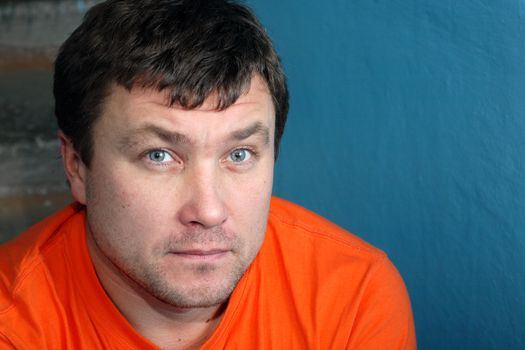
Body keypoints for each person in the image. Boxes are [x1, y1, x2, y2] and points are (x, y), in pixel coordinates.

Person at [0, 0, 417, 348]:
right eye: (159, 155)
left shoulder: (351, 296)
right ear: (76, 167)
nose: (209, 210)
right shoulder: (14, 325)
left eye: (239, 153)